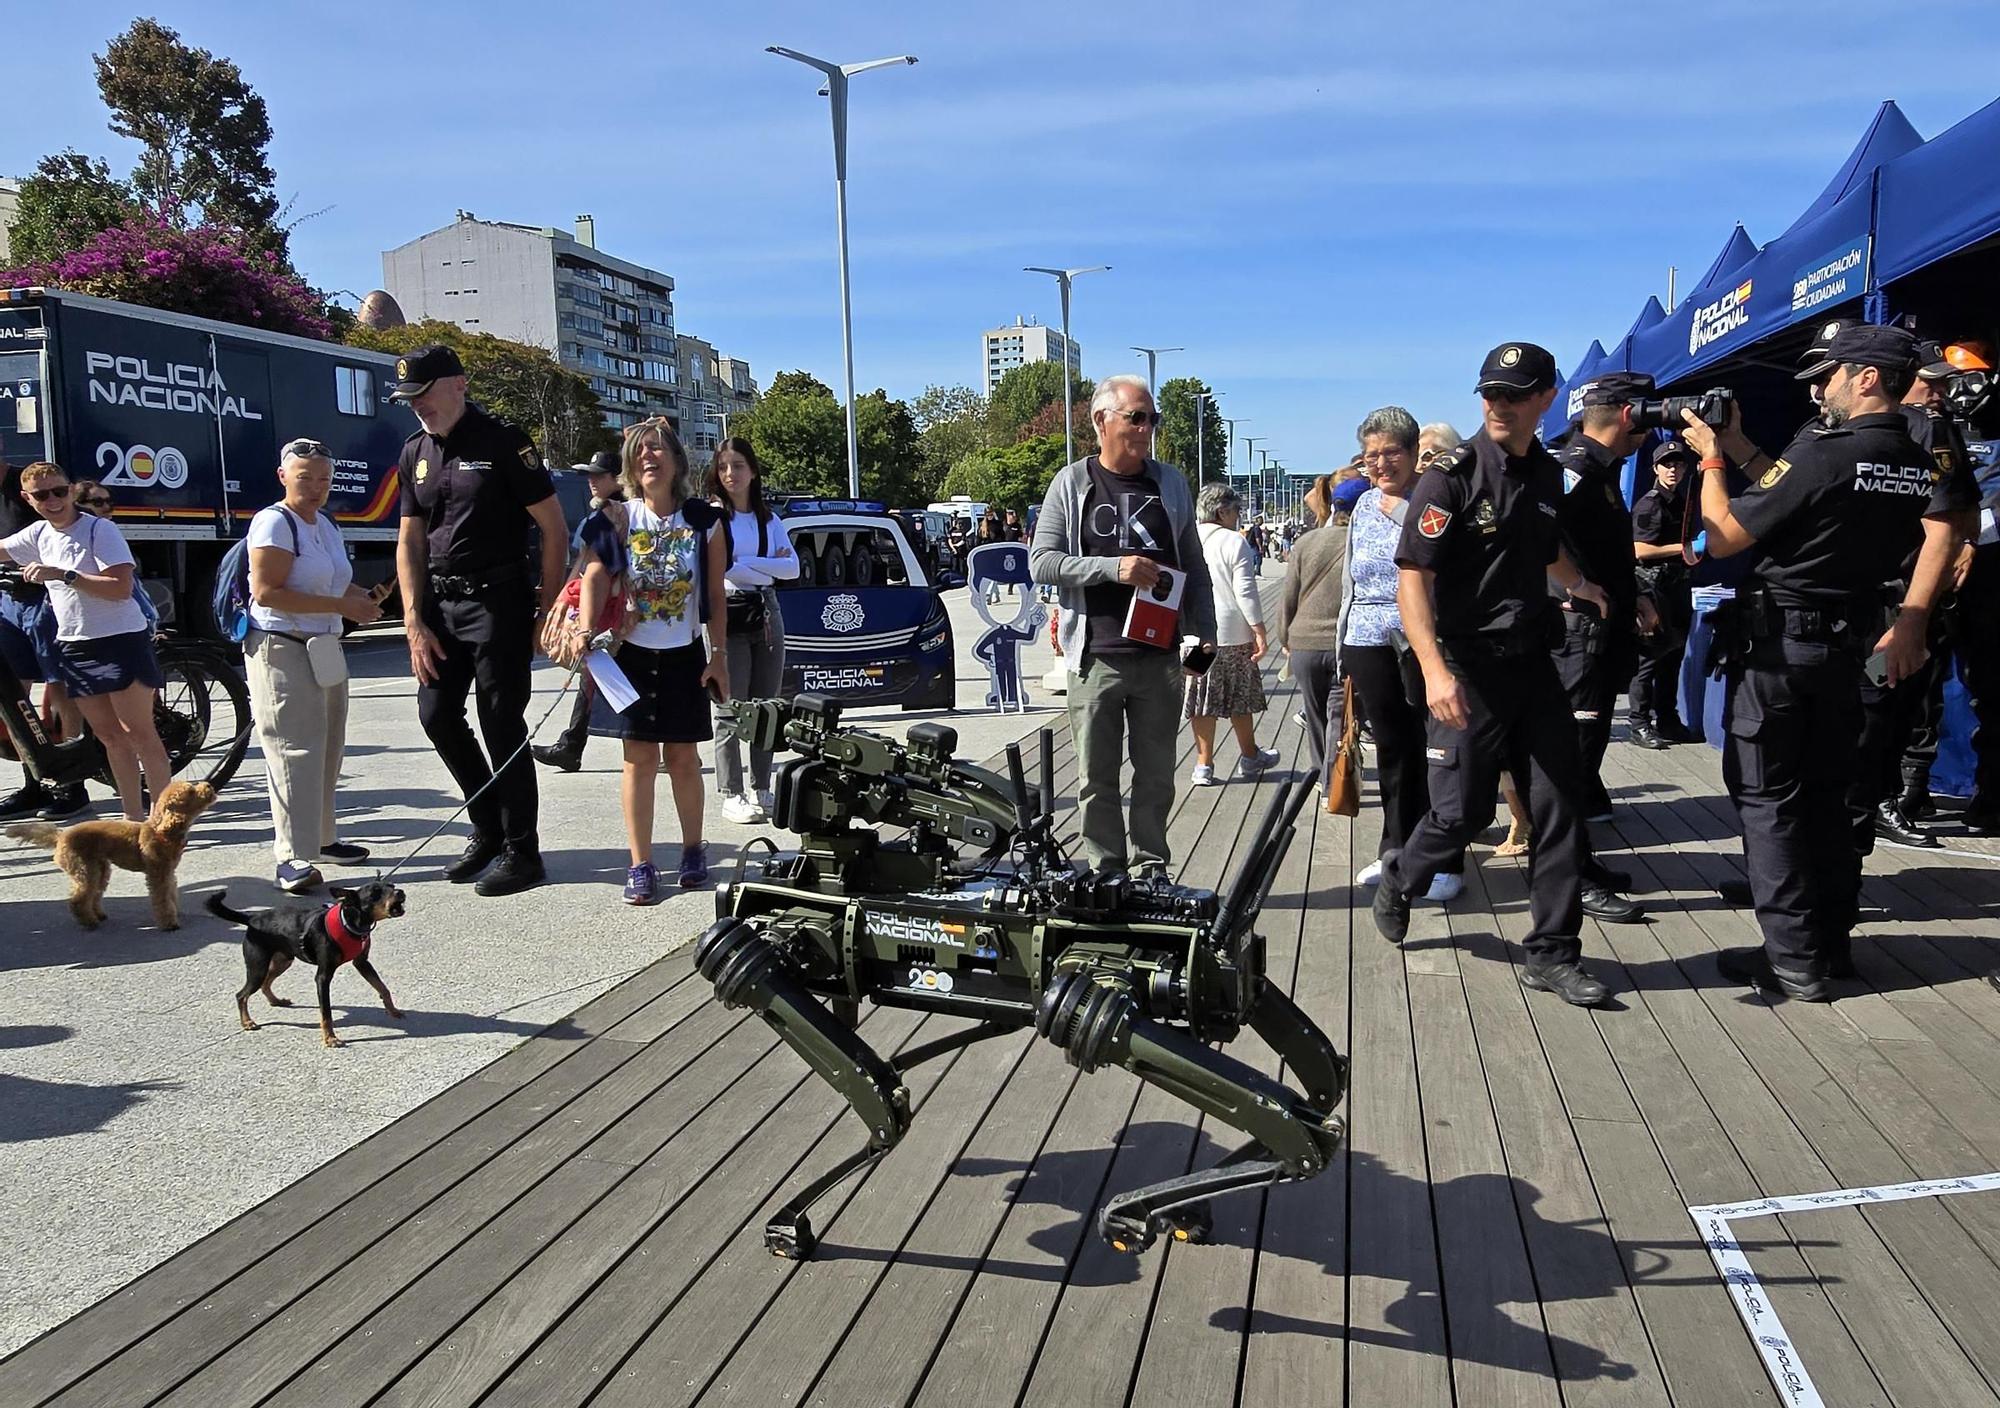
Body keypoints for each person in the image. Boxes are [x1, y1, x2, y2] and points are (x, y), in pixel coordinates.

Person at [1683, 324, 1953, 1000]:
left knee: (1769, 799)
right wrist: (1742, 446)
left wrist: (1712, 460)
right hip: (1845, 648)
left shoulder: (1827, 452)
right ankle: (1830, 947)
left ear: (1866, 379)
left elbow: (1724, 537)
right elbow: (1798, 492)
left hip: (1781, 651)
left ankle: (1793, 958)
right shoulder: (1916, 459)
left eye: (1829, 375)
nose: (1818, 388)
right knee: (1832, 801)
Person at [1371, 344, 1615, 1008]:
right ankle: (1401, 875)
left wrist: (1582, 585)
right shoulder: (1450, 475)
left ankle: (1553, 954)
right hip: (1466, 668)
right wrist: (1434, 670)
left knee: (1560, 805)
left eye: (1515, 393)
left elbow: (1546, 545)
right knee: (1462, 813)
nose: (1499, 405)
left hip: (1533, 664)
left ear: (1546, 397)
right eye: (1490, 394)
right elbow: (1413, 580)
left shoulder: (1545, 472)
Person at [393, 343, 568, 897]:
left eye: (424, 393)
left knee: (500, 723)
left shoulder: (504, 442)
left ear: (458, 383)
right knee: (437, 714)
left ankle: (524, 850)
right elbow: (409, 539)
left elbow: (555, 529)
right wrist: (413, 621)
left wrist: (547, 607)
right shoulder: (414, 451)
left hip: (498, 601)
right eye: (409, 398)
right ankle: (488, 825)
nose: (418, 405)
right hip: (440, 605)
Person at [1031, 373, 1216, 877]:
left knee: (1157, 775)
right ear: (1101, 421)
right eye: (1136, 417)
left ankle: (1152, 866)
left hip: (1160, 660)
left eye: (1151, 418)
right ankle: (1106, 871)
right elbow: (1042, 561)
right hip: (1096, 658)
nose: (1146, 427)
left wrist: (1204, 642)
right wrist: (1113, 569)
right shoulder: (1072, 483)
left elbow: (1194, 569)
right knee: (1096, 778)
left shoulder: (1170, 482)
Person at [570, 419, 729, 903]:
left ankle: (692, 850)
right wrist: (585, 627)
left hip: (684, 656)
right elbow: (595, 574)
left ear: (678, 461)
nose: (649, 457)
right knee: (637, 760)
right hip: (631, 656)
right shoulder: (617, 518)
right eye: (640, 451)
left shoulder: (705, 520)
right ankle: (640, 863)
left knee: (683, 758)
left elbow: (716, 594)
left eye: (658, 449)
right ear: (630, 467)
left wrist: (718, 654)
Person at [1850, 337, 1982, 847]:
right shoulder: (1858, 429)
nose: (1937, 392)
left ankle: (1891, 798)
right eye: (1931, 381)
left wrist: (1963, 544)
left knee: (1895, 704)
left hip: (1906, 602)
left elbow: (1958, 510)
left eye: (1942, 383)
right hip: (1867, 600)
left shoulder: (1933, 431)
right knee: (1869, 708)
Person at [1330, 407, 1464, 902]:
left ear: (1412, 454)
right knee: (1390, 750)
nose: (1381, 463)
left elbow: (1450, 557)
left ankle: (1442, 859)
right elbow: (1352, 576)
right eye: (1371, 456)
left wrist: (1403, 511)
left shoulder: (1434, 497)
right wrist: (1341, 641)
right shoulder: (1362, 504)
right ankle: (1395, 849)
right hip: (1367, 637)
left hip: (1421, 639)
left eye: (1390, 452)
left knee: (1433, 751)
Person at [243, 438, 385, 892]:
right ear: (283, 476)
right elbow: (267, 592)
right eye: (305, 477)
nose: (316, 487)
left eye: (323, 478)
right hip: (282, 645)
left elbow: (330, 584)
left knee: (327, 746)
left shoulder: (324, 523)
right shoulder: (274, 522)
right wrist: (342, 607)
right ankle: (291, 854)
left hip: (323, 645)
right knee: (291, 750)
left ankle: (322, 838)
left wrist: (359, 599)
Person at [2, 461, 170, 821]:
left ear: (70, 490)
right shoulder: (38, 535)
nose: (53, 501)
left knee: (140, 734)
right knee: (110, 738)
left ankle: (166, 820)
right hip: (76, 646)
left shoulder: (98, 531)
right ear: (27, 499)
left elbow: (121, 589)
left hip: (121, 641)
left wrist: (64, 575)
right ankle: (132, 819)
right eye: (42, 495)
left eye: (59, 491)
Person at [1549, 375, 1655, 923]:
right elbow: (1536, 529)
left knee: (1585, 760)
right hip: (1578, 638)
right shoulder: (1577, 465)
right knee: (1574, 758)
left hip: (1602, 629)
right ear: (1626, 413)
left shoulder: (1602, 468)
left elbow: (1606, 547)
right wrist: (1572, 585)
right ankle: (1570, 876)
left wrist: (1633, 593)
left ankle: (1581, 861)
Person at [707, 436, 797, 823]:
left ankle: (762, 786)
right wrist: (762, 564)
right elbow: (724, 569)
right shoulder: (714, 516)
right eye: (724, 466)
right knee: (731, 707)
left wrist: (748, 563)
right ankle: (732, 791)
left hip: (766, 612)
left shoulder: (770, 519)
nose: (731, 474)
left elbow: (791, 569)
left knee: (767, 707)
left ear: (753, 470)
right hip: (728, 612)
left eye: (738, 465)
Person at [0, 462, 89, 821]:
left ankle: (74, 785)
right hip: (9, 602)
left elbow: (69, 531)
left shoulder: (34, 487)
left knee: (61, 688)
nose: (50, 498)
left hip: (47, 601)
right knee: (11, 694)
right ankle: (35, 782)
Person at [532, 450, 626, 773]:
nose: (592, 480)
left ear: (618, 478)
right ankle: (572, 743)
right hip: (612, 609)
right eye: (590, 474)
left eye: (599, 475)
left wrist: (566, 600)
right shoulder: (613, 513)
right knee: (599, 675)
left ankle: (572, 744)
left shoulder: (609, 516)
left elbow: (592, 568)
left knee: (602, 675)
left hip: (608, 610)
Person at [1185, 484, 1279, 786]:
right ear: (1221, 511)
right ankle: (1250, 755)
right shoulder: (1233, 542)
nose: (1239, 516)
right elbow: (1245, 591)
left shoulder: (1186, 539)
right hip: (1232, 632)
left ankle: (1203, 763)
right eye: (1236, 509)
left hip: (1196, 635)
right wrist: (1259, 629)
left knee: (1201, 698)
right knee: (1241, 696)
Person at [1628, 439, 1698, 748]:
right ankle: (1639, 723)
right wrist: (1685, 548)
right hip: (1653, 588)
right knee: (1649, 658)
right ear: (1655, 468)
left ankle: (1668, 719)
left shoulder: (1680, 500)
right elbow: (1640, 549)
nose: (1673, 469)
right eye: (1666, 464)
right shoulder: (1650, 503)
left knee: (1673, 655)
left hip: (1677, 586)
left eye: (1678, 464)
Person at [1279, 476, 1343, 783]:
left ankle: (1321, 774)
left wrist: (1284, 637)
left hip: (1304, 642)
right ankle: (1337, 777)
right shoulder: (1361, 541)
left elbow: (1288, 598)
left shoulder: (1304, 543)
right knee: (1340, 714)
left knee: (1314, 714)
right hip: (1345, 644)